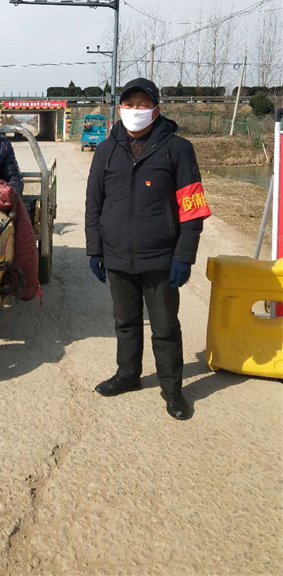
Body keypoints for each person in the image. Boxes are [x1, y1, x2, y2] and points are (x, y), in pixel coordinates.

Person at [85, 77, 211, 420]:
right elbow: (94, 202)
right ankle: (128, 374)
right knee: (125, 321)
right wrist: (94, 249)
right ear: (120, 108)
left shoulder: (178, 148)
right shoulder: (107, 149)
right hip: (117, 255)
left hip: (161, 257)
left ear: (156, 109)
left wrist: (184, 256)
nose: (135, 111)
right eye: (129, 105)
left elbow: (193, 207)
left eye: (142, 105)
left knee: (165, 327)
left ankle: (172, 389)